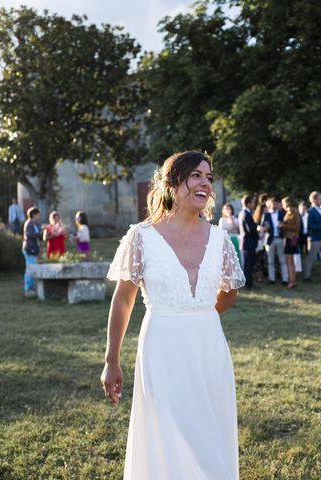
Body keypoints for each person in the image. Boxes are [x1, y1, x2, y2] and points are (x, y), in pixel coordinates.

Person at [102, 150, 245, 479]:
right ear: (172, 182)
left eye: (209, 177)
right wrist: (112, 360)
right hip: (162, 349)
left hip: (209, 349)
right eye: (196, 175)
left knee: (211, 436)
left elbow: (229, 293)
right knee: (174, 436)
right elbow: (123, 300)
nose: (205, 183)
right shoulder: (141, 237)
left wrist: (199, 315)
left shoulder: (221, 239)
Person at [262, 197, 288, 285]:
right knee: (270, 261)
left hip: (280, 238)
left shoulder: (282, 213)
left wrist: (283, 225)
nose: (274, 205)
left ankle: (285, 279)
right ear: (269, 205)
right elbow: (263, 227)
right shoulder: (266, 215)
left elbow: (286, 224)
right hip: (270, 240)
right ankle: (271, 279)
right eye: (273, 204)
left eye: (276, 203)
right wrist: (265, 228)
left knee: (282, 260)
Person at [280, 197, 301, 289]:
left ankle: (292, 281)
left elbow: (297, 227)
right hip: (290, 237)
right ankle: (293, 280)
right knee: (290, 260)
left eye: (283, 204)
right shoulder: (290, 212)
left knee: (289, 260)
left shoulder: (293, 212)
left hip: (291, 238)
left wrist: (283, 225)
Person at [239, 194, 258, 289]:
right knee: (249, 263)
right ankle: (248, 284)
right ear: (248, 203)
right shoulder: (246, 213)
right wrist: (258, 227)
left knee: (249, 263)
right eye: (253, 202)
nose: (254, 204)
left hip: (247, 242)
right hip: (249, 242)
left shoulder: (244, 213)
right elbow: (251, 229)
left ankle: (249, 282)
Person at [22, 207, 43, 297]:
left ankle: (31, 287)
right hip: (29, 249)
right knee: (30, 269)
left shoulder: (34, 224)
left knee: (32, 268)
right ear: (34, 215)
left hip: (33, 249)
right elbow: (30, 234)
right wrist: (41, 233)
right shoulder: (29, 223)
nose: (39, 217)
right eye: (38, 215)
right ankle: (28, 289)